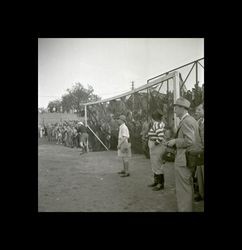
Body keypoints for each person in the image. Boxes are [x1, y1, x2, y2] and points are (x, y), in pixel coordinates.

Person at [166, 97, 202, 212]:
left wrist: (175, 142)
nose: (175, 110)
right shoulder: (189, 120)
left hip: (184, 160)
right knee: (187, 187)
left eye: (176, 107)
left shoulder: (187, 121)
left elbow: (190, 141)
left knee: (183, 189)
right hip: (186, 158)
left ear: (182, 108)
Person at [147, 110, 166, 191]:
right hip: (156, 148)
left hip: (157, 148)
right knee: (155, 165)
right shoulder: (158, 124)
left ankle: (160, 184)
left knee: (157, 165)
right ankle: (156, 181)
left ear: (153, 118)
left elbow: (161, 137)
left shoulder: (157, 124)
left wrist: (154, 144)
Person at [194, 103, 204, 202]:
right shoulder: (199, 121)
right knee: (200, 175)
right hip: (199, 152)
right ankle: (201, 194)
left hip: (202, 151)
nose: (197, 112)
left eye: (199, 110)